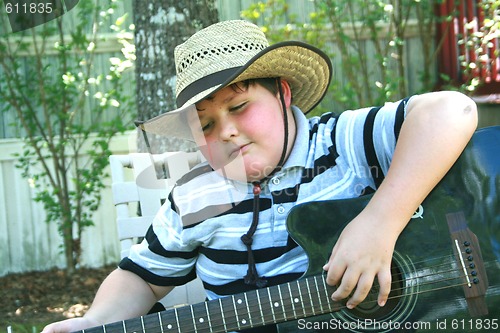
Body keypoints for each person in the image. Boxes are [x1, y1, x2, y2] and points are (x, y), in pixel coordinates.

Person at [42, 20, 477, 333]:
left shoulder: (342, 142)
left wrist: (380, 221)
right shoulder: (196, 195)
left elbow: (450, 111)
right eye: (205, 125)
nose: (226, 131)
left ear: (283, 94)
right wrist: (95, 322)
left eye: (238, 106)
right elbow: (141, 276)